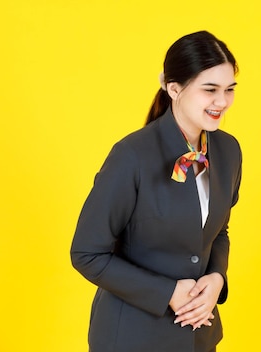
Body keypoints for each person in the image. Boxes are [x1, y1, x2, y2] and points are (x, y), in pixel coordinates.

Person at [70, 31, 241, 352]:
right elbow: (87, 253)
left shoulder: (229, 151)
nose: (222, 102)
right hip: (132, 338)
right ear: (174, 88)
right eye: (210, 90)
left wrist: (217, 278)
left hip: (198, 337)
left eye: (229, 90)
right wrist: (168, 293)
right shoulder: (131, 156)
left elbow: (219, 231)